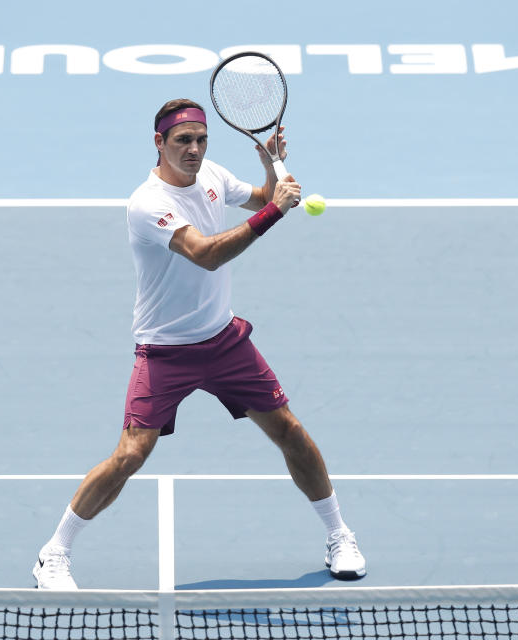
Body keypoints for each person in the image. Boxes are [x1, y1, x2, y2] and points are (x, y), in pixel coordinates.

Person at [33, 98, 366, 589]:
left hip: (224, 341)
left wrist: (268, 168)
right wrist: (276, 210)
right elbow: (205, 255)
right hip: (165, 350)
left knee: (290, 432)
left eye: (201, 139)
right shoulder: (148, 203)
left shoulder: (211, 174)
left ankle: (339, 534)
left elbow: (259, 198)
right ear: (159, 143)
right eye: (182, 140)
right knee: (130, 455)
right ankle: (53, 554)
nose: (193, 149)